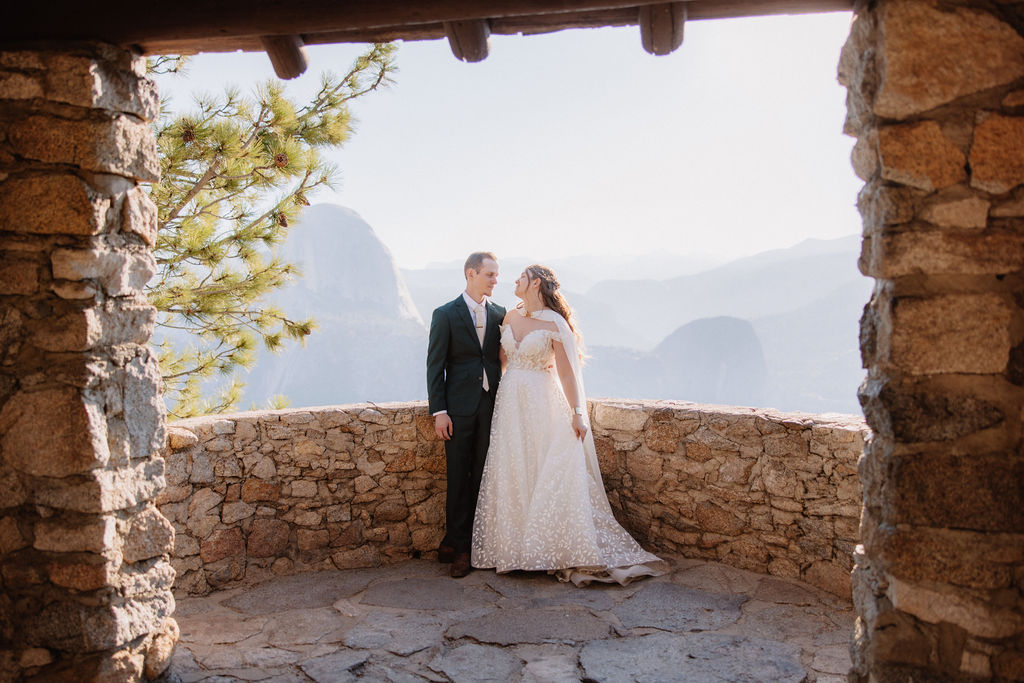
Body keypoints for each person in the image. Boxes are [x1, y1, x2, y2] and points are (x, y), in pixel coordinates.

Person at [472, 265, 667, 585]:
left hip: (542, 401)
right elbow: (500, 363)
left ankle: (546, 547)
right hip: (510, 404)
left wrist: (577, 412)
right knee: (514, 467)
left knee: (544, 467)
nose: (515, 281)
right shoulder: (509, 318)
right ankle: (516, 548)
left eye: (521, 277)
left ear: (535, 283)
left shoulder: (554, 323)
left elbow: (567, 373)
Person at [426, 252, 506, 578]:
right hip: (457, 411)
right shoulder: (445, 314)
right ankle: (459, 548)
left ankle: (467, 543)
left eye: (496, 275)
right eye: (490, 274)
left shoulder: (501, 314)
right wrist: (440, 411)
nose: (495, 280)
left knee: (482, 478)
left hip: (491, 407)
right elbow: (436, 365)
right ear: (471, 273)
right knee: (458, 478)